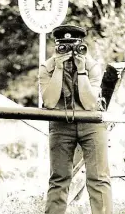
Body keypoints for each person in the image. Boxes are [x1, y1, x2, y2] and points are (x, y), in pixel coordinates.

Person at [39, 25, 112, 214]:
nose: (68, 52)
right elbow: (49, 102)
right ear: (56, 47)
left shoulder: (91, 66)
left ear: (82, 46)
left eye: (73, 46)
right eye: (63, 47)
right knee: (59, 179)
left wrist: (81, 71)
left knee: (99, 178)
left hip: (91, 123)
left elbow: (89, 104)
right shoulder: (47, 67)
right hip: (61, 123)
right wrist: (58, 69)